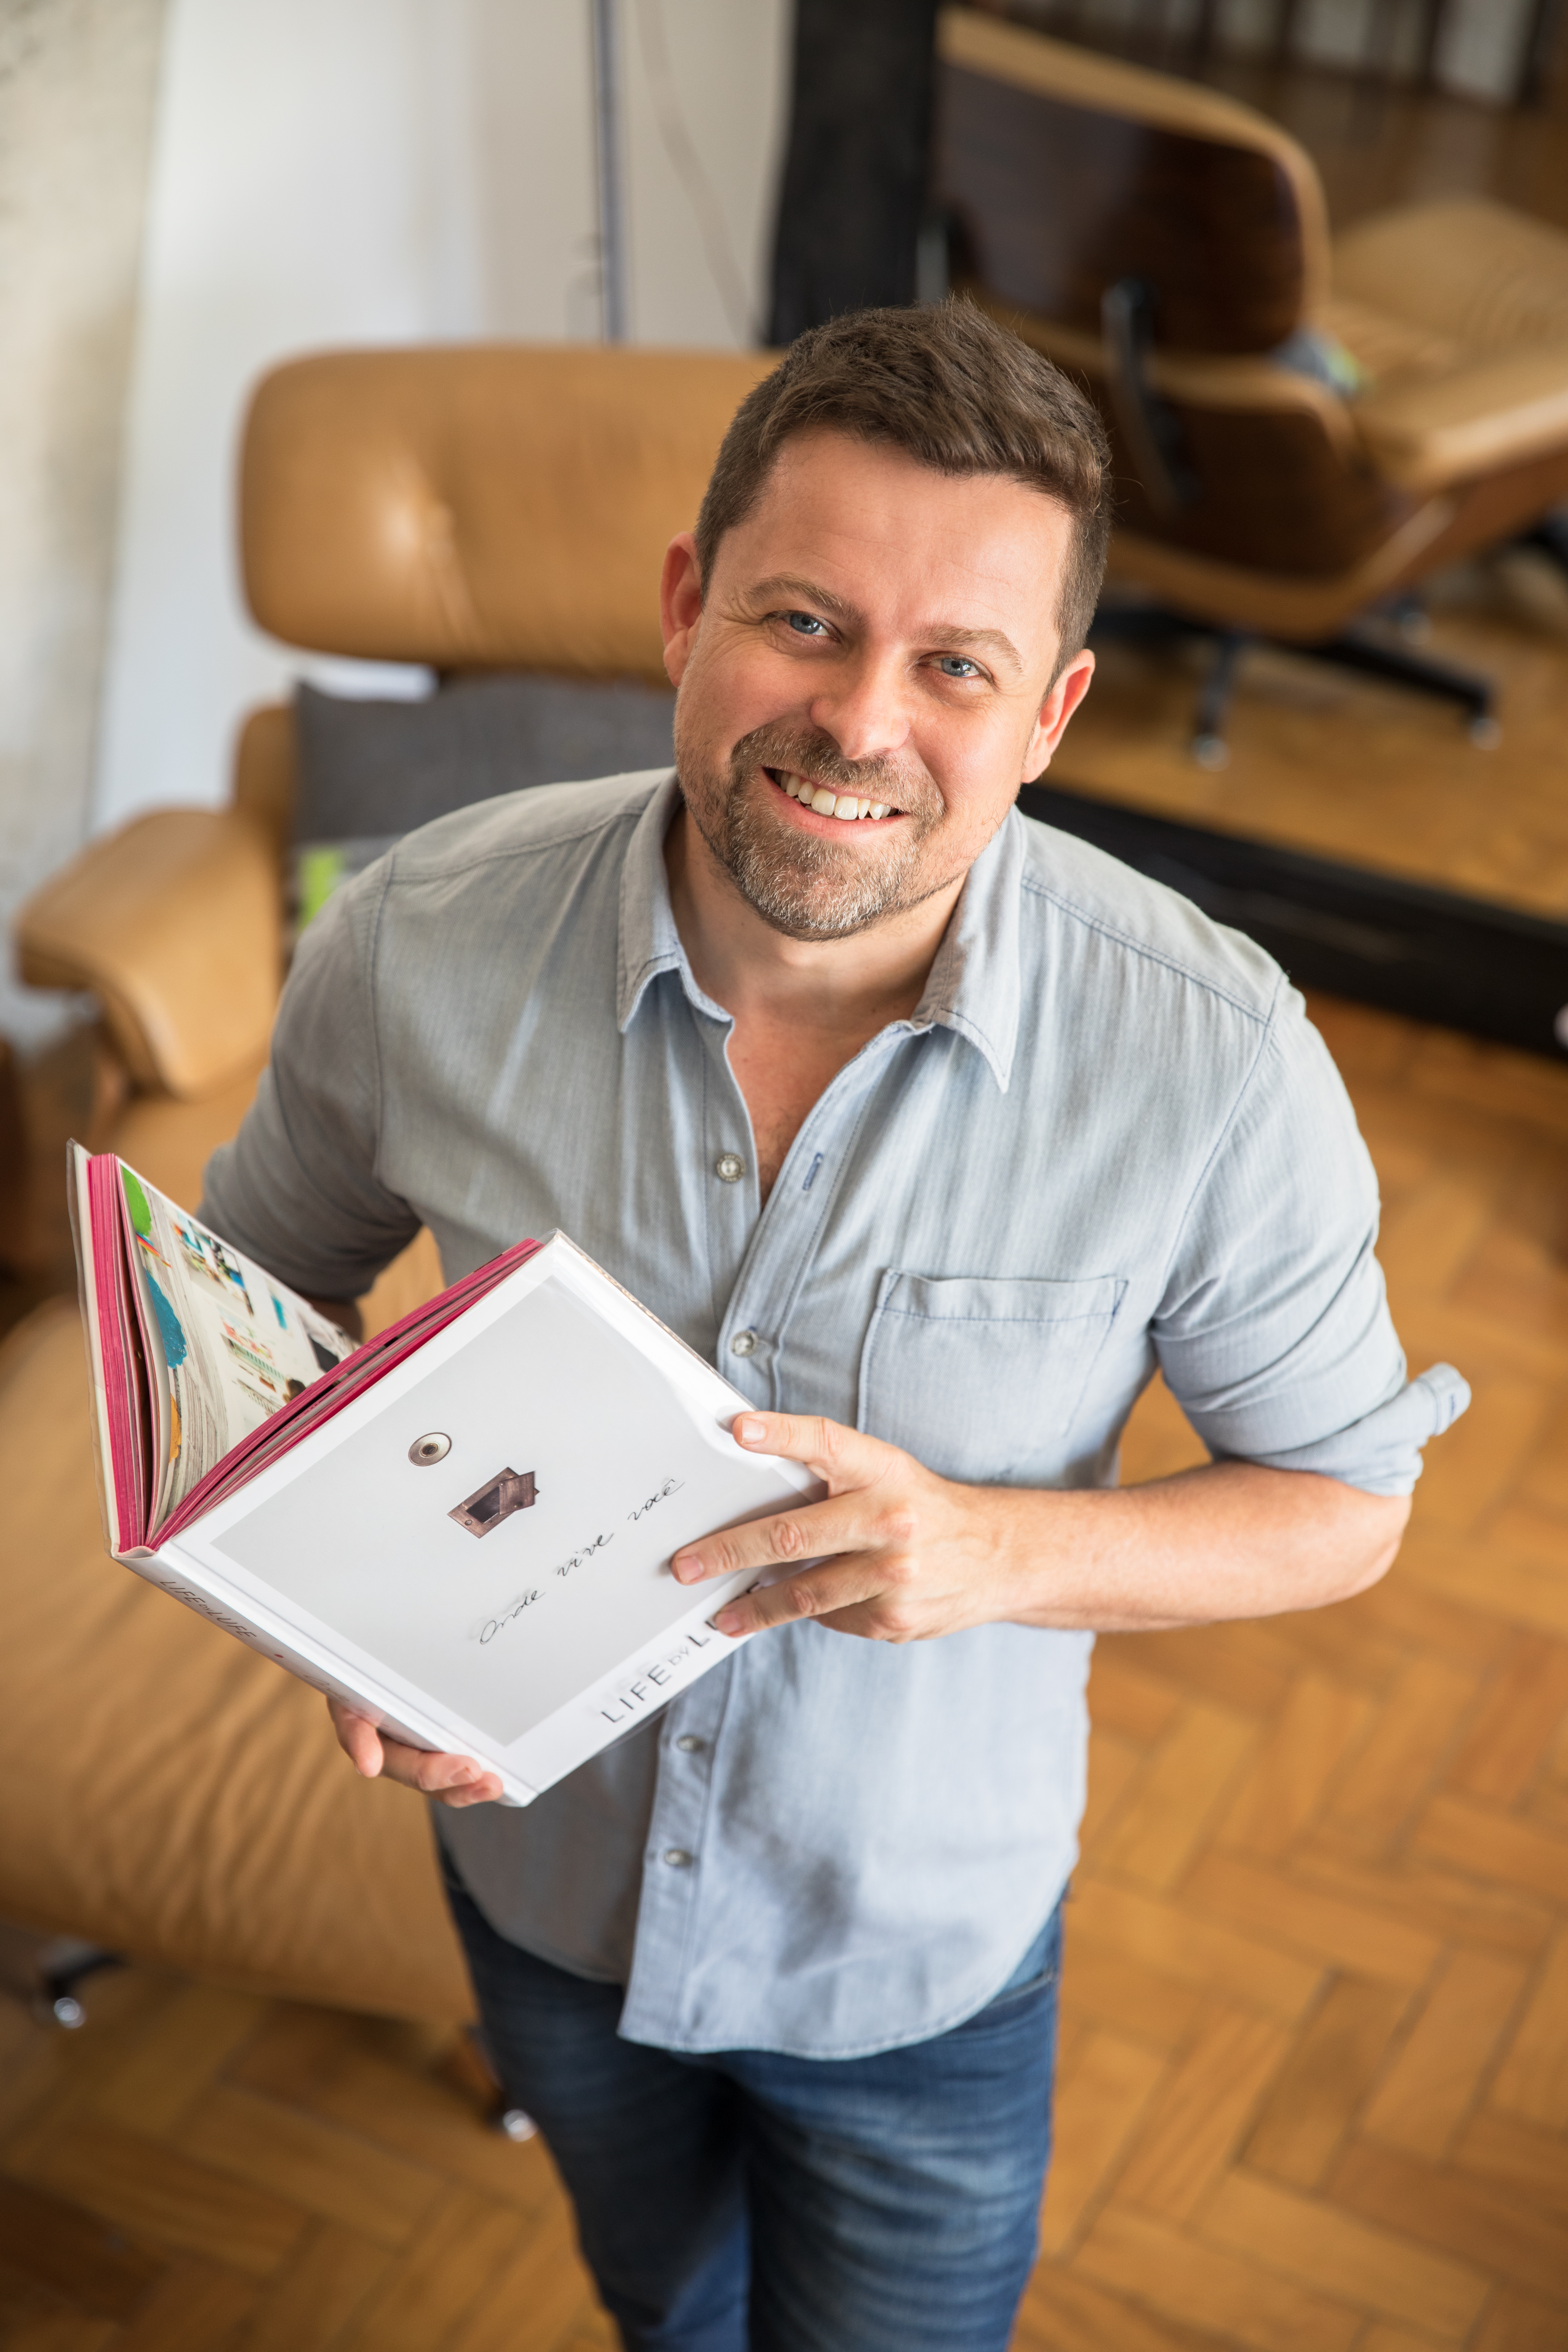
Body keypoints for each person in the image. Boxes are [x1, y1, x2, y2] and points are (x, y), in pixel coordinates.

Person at [200, 301, 1467, 2352]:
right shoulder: (415, 941)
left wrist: (996, 1549)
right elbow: (256, 1307)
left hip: (923, 1968)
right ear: (688, 607)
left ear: (1046, 713)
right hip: (542, 1912)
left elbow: (1347, 1504)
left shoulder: (1215, 1061)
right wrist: (349, 1607)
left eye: (953, 664)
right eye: (804, 620)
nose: (863, 721)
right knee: (661, 2311)